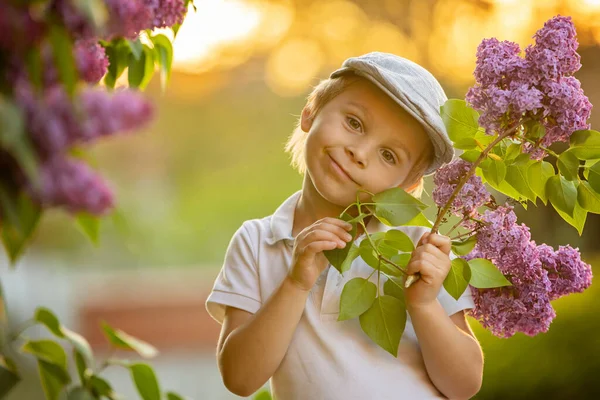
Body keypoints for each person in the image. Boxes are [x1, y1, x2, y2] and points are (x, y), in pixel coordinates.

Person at [206, 52, 484, 399]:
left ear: (406, 186)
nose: (360, 152)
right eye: (354, 122)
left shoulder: (419, 247)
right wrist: (295, 283)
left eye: (388, 155)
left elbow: (465, 385)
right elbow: (240, 378)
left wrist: (425, 304)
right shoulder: (258, 241)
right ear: (310, 112)